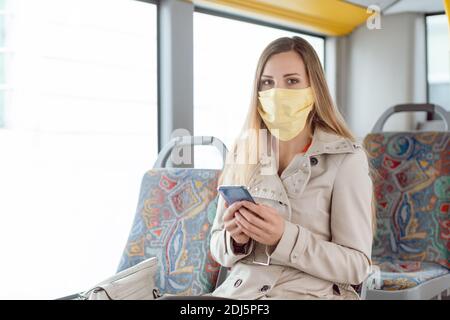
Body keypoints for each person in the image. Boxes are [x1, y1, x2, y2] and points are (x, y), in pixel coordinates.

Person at [209, 36, 374, 300]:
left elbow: (356, 266)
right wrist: (235, 241)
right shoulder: (244, 153)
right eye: (268, 83)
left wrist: (285, 238)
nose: (278, 93)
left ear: (314, 88)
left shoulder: (346, 160)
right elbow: (217, 243)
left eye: (292, 81)